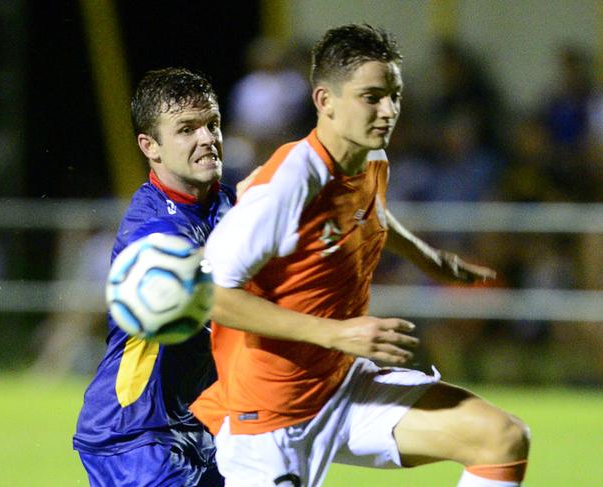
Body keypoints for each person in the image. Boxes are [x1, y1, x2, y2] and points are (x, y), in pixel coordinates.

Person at [191, 24, 530, 487]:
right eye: (371, 97)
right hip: (269, 417)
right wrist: (337, 334)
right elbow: (209, 295)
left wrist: (429, 257)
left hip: (344, 388)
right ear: (324, 101)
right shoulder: (291, 182)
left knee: (501, 438)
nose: (388, 110)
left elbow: (370, 216)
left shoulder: (371, 161)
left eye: (394, 95)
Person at [73, 67, 234, 486]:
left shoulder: (228, 204)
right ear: (151, 146)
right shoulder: (153, 233)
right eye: (186, 129)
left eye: (212, 124)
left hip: (199, 427)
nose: (207, 139)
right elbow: (220, 303)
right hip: (134, 436)